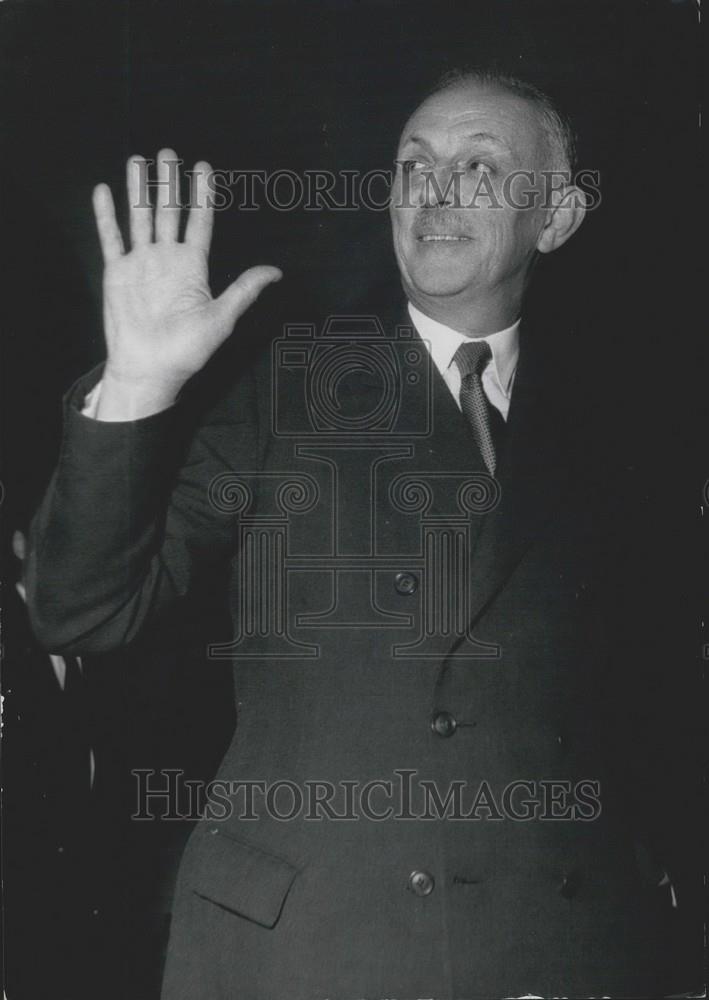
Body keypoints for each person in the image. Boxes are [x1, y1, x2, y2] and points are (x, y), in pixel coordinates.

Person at [26, 70, 701, 997]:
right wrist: (138, 387)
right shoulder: (282, 382)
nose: (433, 190)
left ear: (559, 215)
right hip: (310, 952)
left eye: (479, 165)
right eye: (412, 163)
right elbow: (82, 613)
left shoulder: (626, 435)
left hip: (555, 951)